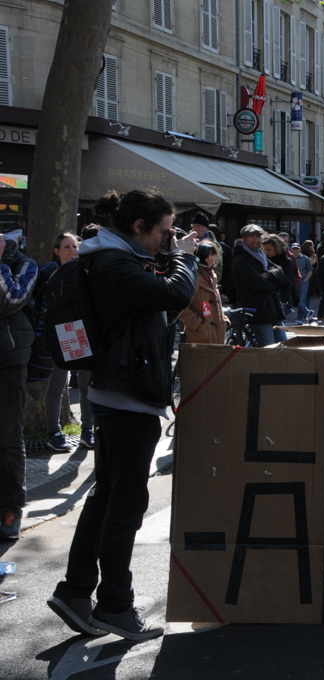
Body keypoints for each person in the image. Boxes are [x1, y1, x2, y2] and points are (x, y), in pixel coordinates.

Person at [48, 189, 198, 639]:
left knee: (106, 499)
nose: (167, 239)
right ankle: (115, 604)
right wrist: (184, 258)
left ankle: (75, 592)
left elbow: (158, 309)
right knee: (125, 506)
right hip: (128, 397)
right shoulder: (114, 264)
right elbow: (177, 292)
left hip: (116, 393)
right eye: (163, 232)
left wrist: (170, 257)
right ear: (138, 228)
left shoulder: (110, 260)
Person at [37, 233, 93, 452]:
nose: (72, 250)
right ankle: (54, 432)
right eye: (67, 247)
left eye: (74, 246)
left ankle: (87, 430)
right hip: (60, 334)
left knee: (87, 383)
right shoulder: (48, 274)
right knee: (57, 384)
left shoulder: (86, 272)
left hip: (83, 332)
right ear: (57, 250)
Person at [0, 229, 39, 541]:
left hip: (9, 361)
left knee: (9, 436)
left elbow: (10, 298)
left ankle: (11, 508)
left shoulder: (24, 266)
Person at [232, 224, 287, 346]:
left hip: (272, 309)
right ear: (244, 239)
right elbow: (258, 284)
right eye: (251, 237)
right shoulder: (241, 259)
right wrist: (275, 283)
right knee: (268, 350)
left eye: (258, 236)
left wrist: (267, 274)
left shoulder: (259, 255)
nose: (256, 240)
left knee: (285, 347)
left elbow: (281, 272)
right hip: (258, 311)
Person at [179, 241, 229, 344]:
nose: (209, 258)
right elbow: (180, 305)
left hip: (216, 333)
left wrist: (223, 320)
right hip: (200, 336)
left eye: (212, 254)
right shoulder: (193, 275)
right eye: (206, 254)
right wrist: (197, 324)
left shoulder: (212, 275)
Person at [263, 235, 297, 319]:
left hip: (282, 300)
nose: (266, 252)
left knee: (277, 326)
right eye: (264, 250)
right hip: (267, 300)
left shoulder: (286, 261)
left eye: (269, 250)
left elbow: (287, 281)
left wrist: (269, 278)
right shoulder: (264, 260)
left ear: (277, 248)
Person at [292, 243, 313, 322]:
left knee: (302, 300)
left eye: (297, 249)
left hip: (303, 282)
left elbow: (310, 270)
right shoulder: (289, 258)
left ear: (300, 250)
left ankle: (299, 320)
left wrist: (305, 280)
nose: (295, 250)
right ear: (291, 250)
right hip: (293, 282)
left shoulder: (305, 258)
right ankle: (308, 312)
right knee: (293, 301)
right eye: (294, 249)